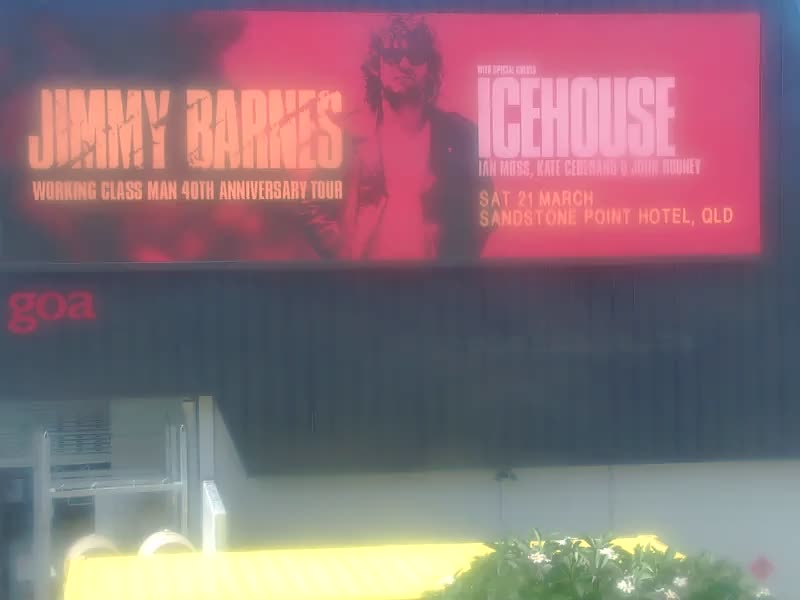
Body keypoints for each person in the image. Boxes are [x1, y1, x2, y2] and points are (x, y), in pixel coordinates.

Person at [301, 14, 492, 262]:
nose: (404, 63)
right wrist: (344, 256)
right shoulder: (347, 134)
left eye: (416, 54)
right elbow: (311, 204)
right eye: (392, 54)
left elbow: (488, 209)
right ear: (377, 64)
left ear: (430, 67)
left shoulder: (461, 135)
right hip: (366, 280)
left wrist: (454, 263)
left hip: (435, 280)